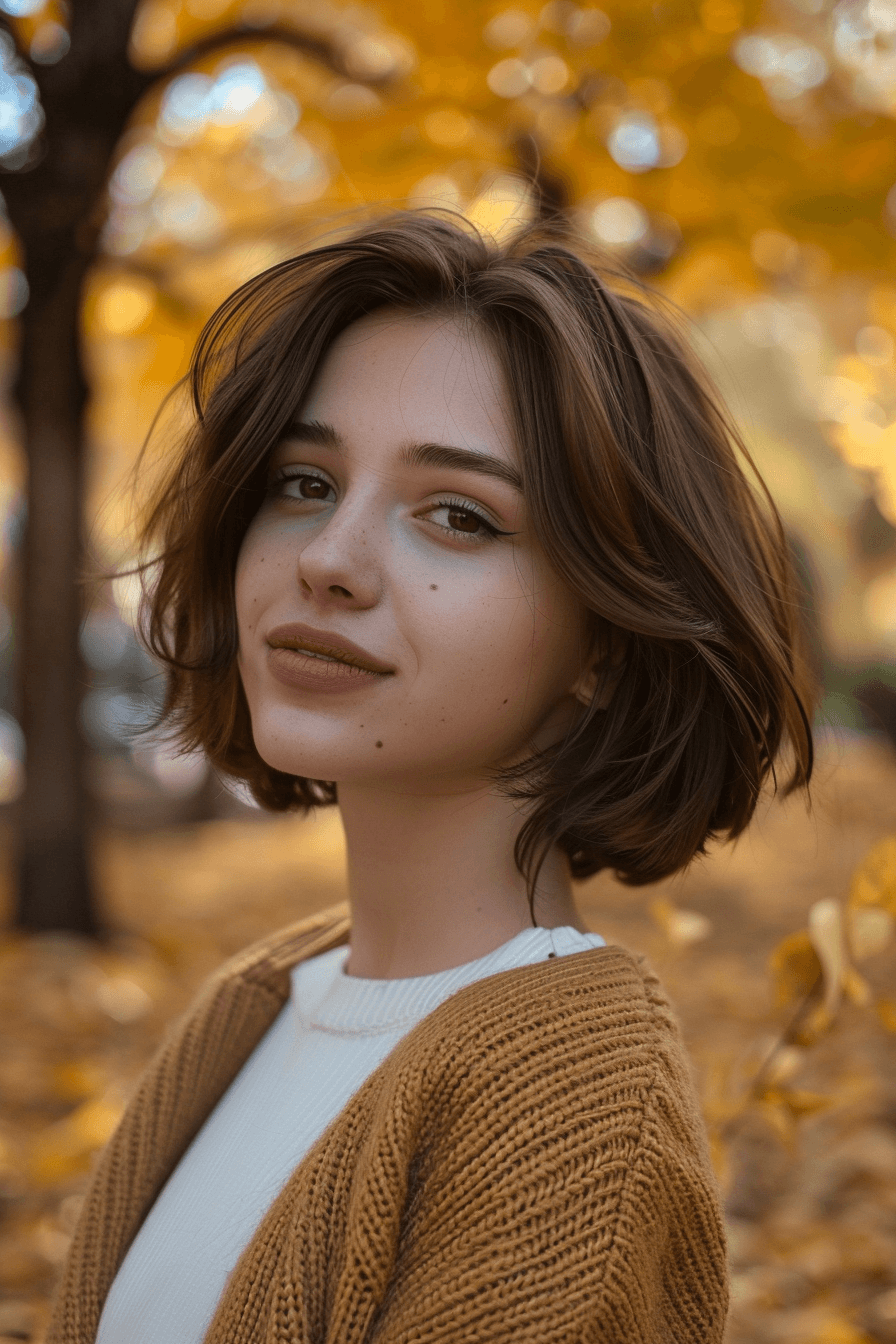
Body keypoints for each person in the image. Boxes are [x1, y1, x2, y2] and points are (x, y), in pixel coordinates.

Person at [48, 209, 817, 1343]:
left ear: (604, 638)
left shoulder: (566, 1100)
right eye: (304, 483)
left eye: (457, 516)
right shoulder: (261, 1001)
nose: (327, 558)